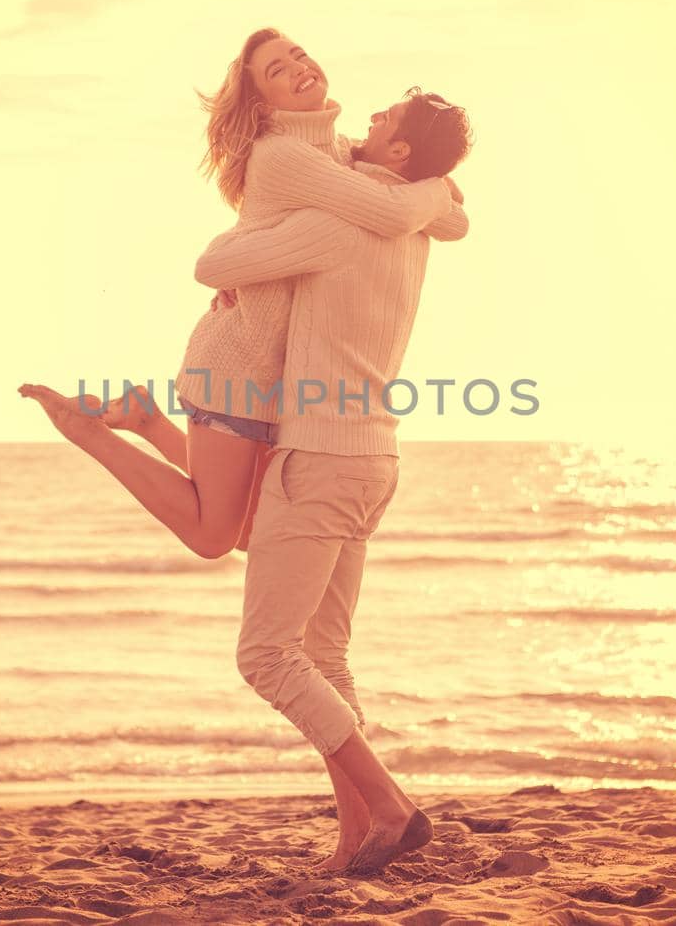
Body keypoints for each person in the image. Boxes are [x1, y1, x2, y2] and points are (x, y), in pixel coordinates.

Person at [21, 28, 465, 565]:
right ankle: (88, 433)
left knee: (259, 531)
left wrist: (433, 193)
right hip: (237, 362)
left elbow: (455, 225)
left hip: (280, 382)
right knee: (215, 537)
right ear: (262, 101)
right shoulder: (284, 155)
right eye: (277, 70)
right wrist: (436, 188)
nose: (299, 67)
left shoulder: (344, 151)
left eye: (299, 54)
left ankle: (147, 420)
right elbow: (396, 215)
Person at [192, 87, 475, 875]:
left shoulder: (334, 225)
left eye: (381, 123)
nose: (363, 127)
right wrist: (429, 191)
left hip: (317, 457)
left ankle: (389, 805)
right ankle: (358, 834)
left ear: (398, 154)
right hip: (375, 459)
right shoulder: (417, 225)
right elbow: (453, 210)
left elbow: (211, 263)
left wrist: (258, 261)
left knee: (267, 655)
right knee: (328, 652)